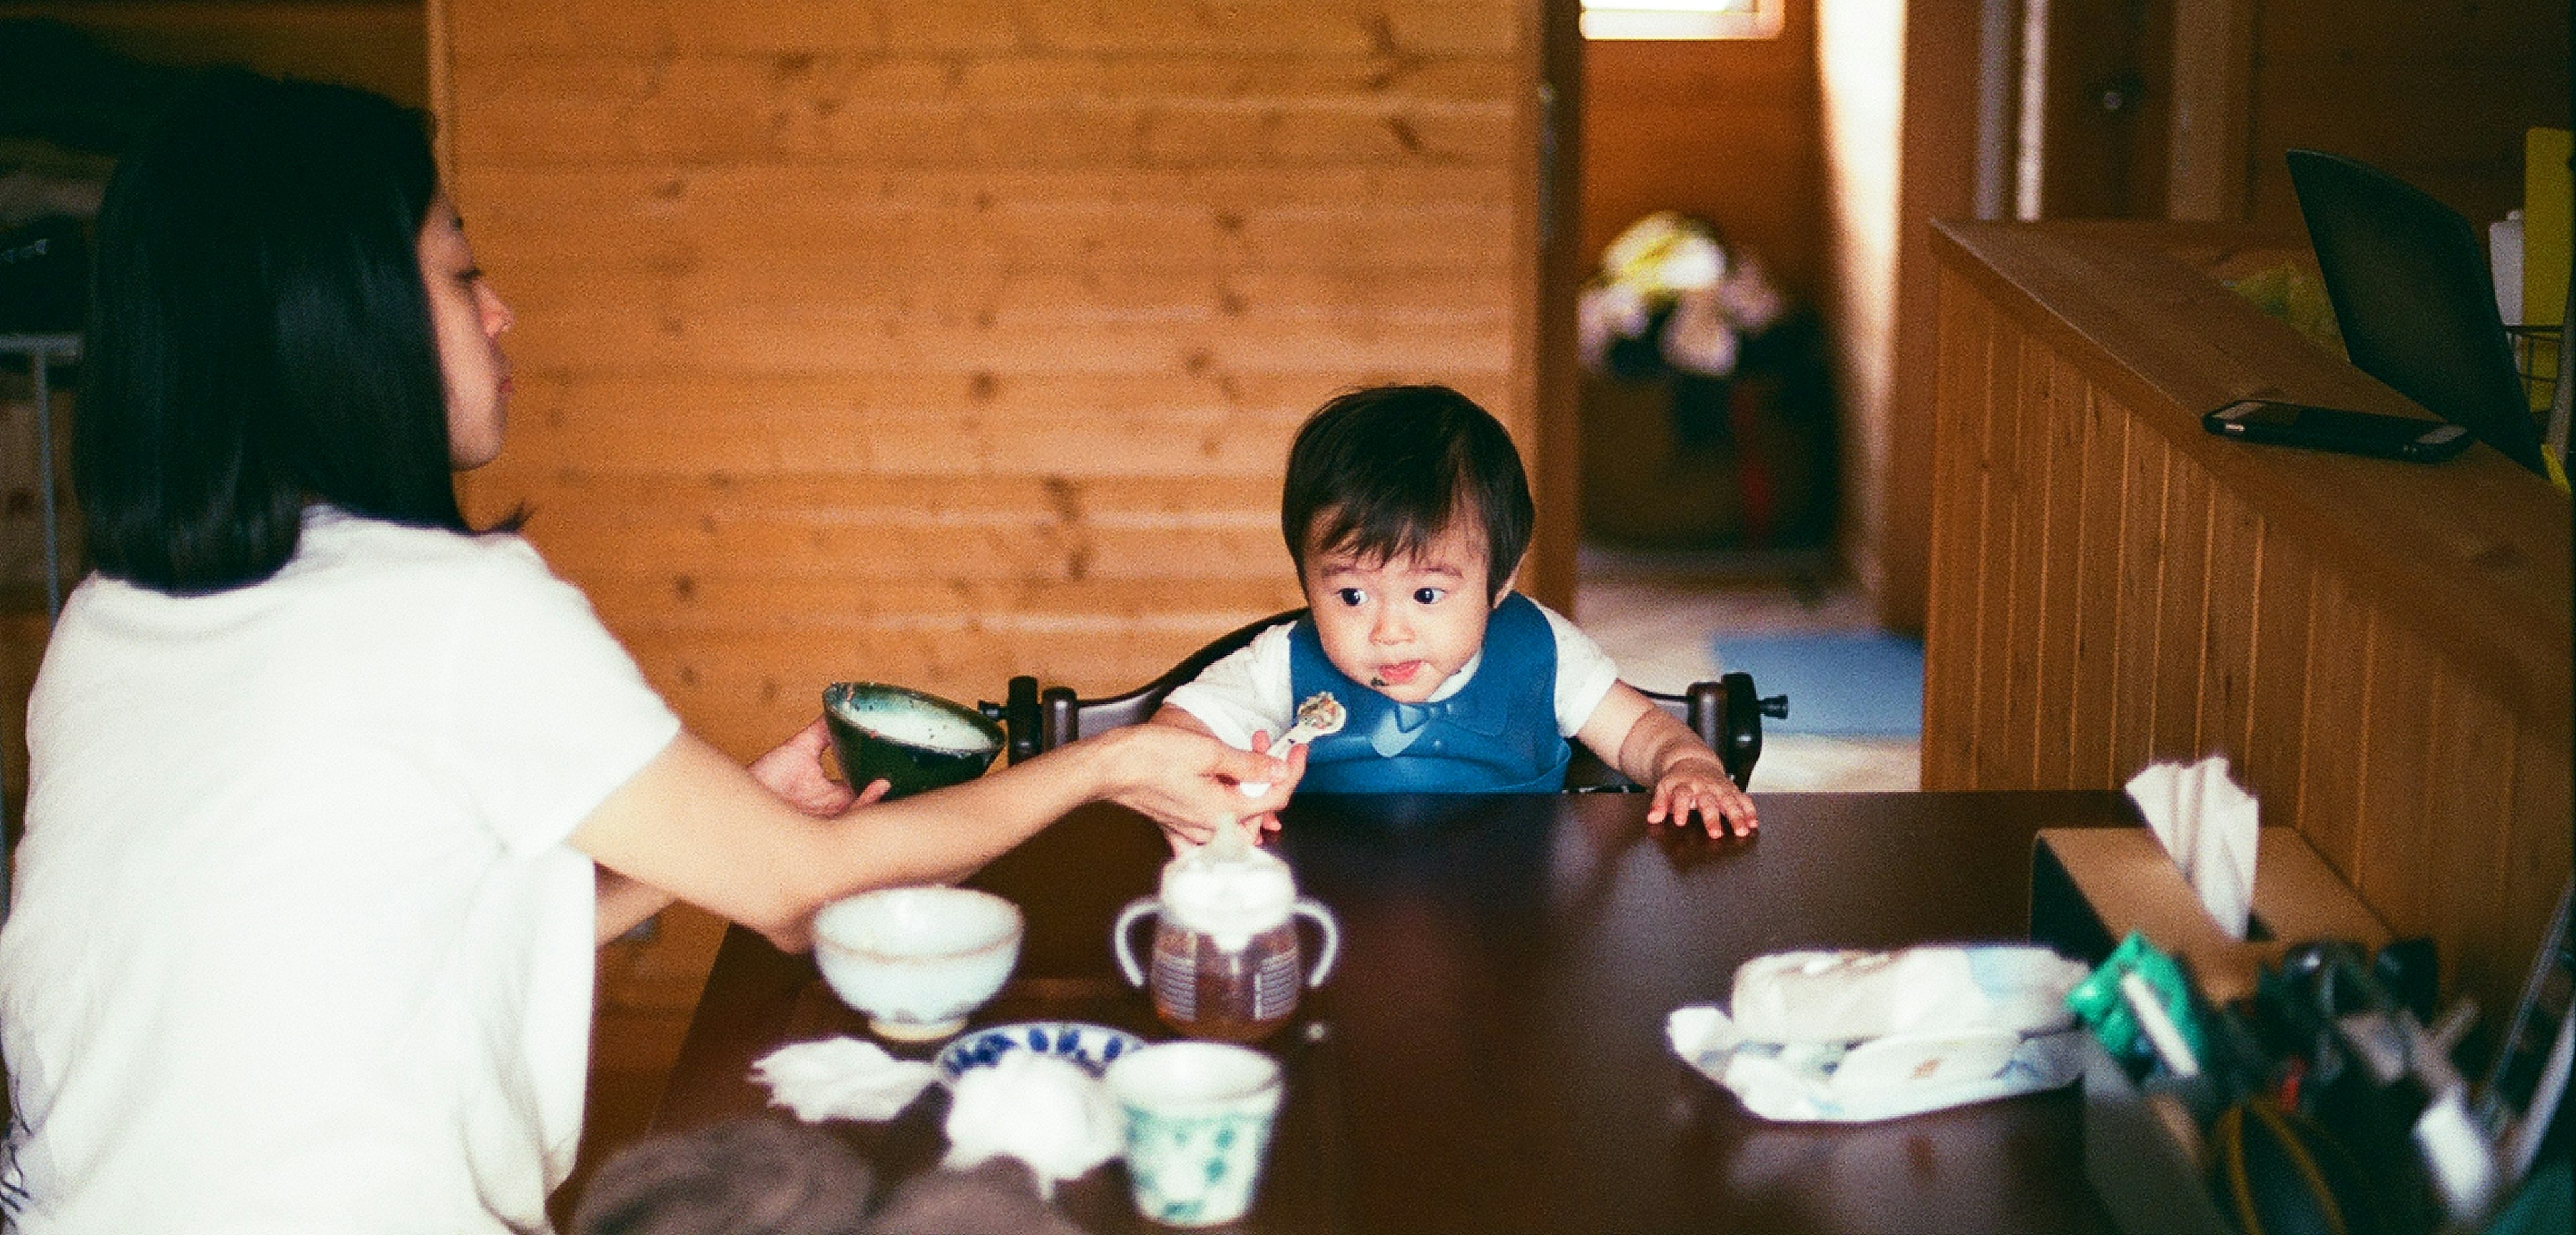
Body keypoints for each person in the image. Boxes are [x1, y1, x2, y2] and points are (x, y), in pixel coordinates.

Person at [0, 73, 1293, 1234]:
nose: (502, 311)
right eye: (461, 271)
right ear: (343, 315)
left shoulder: (105, 618)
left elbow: (374, 932)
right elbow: (810, 893)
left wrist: (703, 837)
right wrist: (1111, 762)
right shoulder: (453, 606)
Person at [1152, 384, 1757, 834]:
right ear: (1307, 579)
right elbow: (1170, 738)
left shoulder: (1542, 649)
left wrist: (1687, 764)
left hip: (1513, 923)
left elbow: (1638, 734)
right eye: (1352, 595)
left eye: (1426, 594)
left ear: (1500, 581)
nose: (1389, 633)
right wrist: (1218, 791)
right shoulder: (1283, 662)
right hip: (1331, 922)